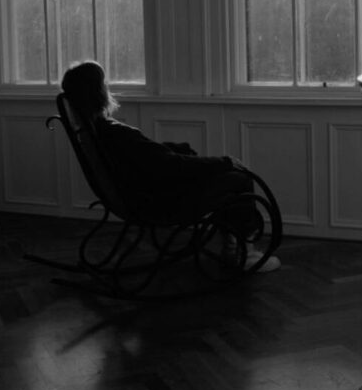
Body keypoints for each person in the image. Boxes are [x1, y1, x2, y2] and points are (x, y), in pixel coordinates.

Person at [61, 60, 280, 272]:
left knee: (227, 181)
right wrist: (225, 161)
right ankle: (245, 254)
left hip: (139, 196)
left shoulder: (95, 132)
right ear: (99, 92)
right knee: (239, 179)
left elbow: (149, 157)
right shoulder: (115, 132)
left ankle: (234, 248)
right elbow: (170, 165)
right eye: (104, 84)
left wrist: (175, 150)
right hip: (158, 202)